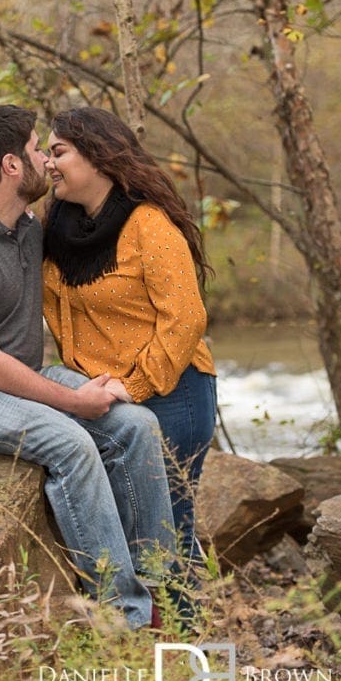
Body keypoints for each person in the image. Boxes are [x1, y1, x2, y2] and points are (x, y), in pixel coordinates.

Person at [0, 104, 176, 631]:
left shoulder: (28, 229)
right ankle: (121, 617)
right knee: (72, 443)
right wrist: (75, 400)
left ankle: (160, 593)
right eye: (39, 150)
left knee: (138, 426)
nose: (47, 161)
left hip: (20, 382)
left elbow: (98, 242)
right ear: (12, 166)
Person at [42, 106, 217, 576]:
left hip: (171, 392)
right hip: (97, 396)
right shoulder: (56, 229)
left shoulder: (148, 225)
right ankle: (138, 635)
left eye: (58, 151)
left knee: (166, 531)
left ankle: (183, 639)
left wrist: (132, 386)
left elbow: (186, 317)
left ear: (97, 157)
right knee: (120, 523)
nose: (47, 162)